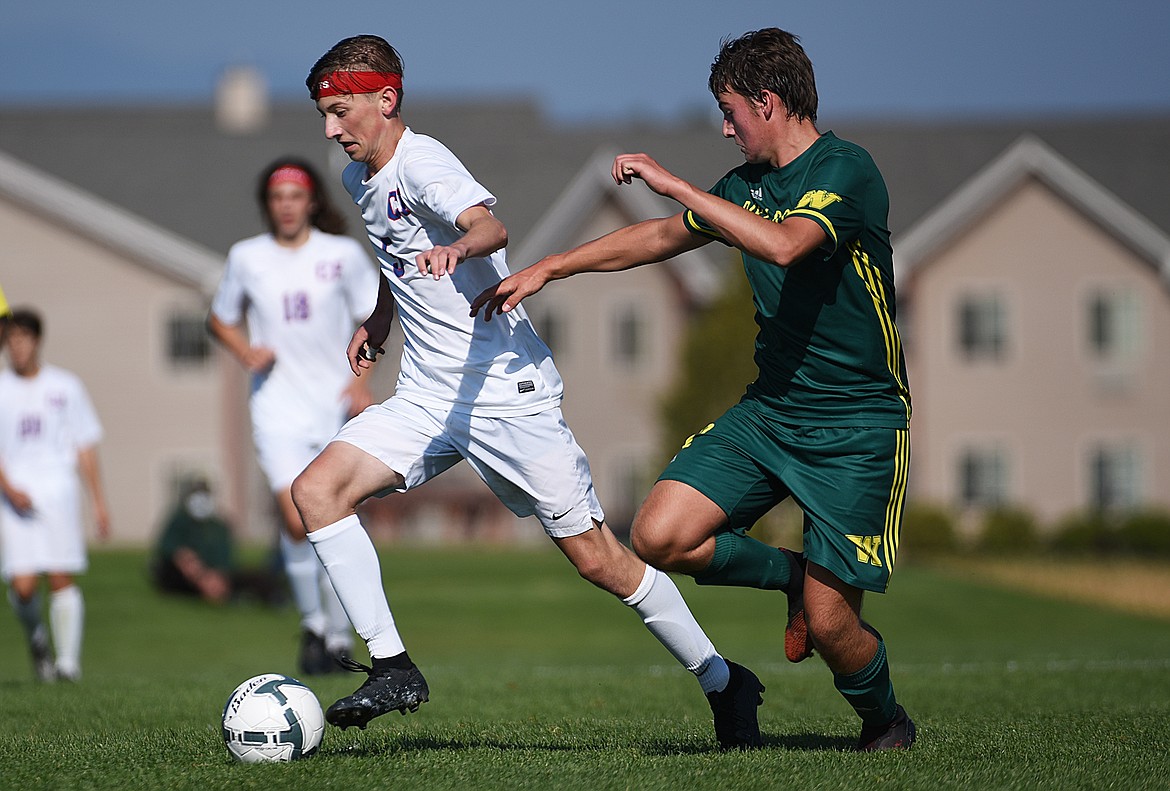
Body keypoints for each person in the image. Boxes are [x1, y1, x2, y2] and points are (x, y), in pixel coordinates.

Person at [293, 34, 764, 750]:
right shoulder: (362, 177)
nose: (331, 129)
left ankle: (724, 680)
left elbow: (491, 224)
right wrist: (379, 318)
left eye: (341, 111)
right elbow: (396, 260)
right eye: (323, 114)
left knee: (600, 560)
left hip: (505, 395)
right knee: (316, 493)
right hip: (429, 396)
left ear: (386, 100)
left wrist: (461, 244)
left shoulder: (424, 162)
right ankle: (393, 665)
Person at [471, 28, 916, 751]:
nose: (725, 125)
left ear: (767, 102)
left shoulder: (847, 170)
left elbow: (785, 244)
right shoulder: (744, 188)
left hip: (856, 426)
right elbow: (655, 239)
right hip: (771, 411)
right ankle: (792, 574)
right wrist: (551, 265)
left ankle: (885, 719)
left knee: (834, 626)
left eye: (730, 109)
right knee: (658, 532)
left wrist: (676, 182)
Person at [208, 157, 380, 674]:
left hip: (332, 404)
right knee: (294, 517)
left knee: (334, 517)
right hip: (276, 404)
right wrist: (244, 352)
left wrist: (361, 383)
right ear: (268, 204)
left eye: (295, 196)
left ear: (311, 202)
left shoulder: (342, 256)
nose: (287, 206)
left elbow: (375, 317)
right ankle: (313, 625)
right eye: (278, 197)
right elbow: (220, 317)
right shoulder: (247, 257)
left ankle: (339, 635)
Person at [0, 308, 110, 682]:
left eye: (22, 338)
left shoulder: (65, 386)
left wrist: (98, 501)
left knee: (61, 575)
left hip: (57, 491)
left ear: (36, 340)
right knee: (23, 584)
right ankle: (37, 639)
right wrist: (9, 487)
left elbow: (84, 446)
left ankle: (67, 664)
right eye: (10, 339)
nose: (16, 347)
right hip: (14, 497)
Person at [151, 476, 285, 607]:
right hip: (188, 575)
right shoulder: (179, 519)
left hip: (216, 574)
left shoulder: (218, 525)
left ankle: (271, 597)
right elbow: (168, 547)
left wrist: (217, 578)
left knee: (257, 577)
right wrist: (196, 572)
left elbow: (225, 558)